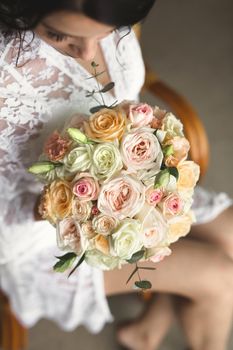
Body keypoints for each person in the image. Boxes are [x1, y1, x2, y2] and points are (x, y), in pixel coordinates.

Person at [0, 1, 233, 349]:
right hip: (45, 236)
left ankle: (146, 330)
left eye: (106, 33)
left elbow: (127, 98)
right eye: (60, 35)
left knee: (230, 232)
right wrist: (70, 206)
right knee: (220, 277)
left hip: (129, 181)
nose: (89, 51)